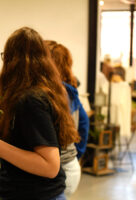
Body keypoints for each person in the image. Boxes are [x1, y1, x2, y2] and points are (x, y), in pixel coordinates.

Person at [0, 27, 80, 200]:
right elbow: (21, 139)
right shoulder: (28, 95)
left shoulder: (31, 100)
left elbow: (50, 166)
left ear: (12, 60)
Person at [45, 40, 89, 197]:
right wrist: (75, 156)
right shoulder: (69, 90)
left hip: (61, 168)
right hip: (68, 166)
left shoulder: (57, 93)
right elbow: (83, 124)